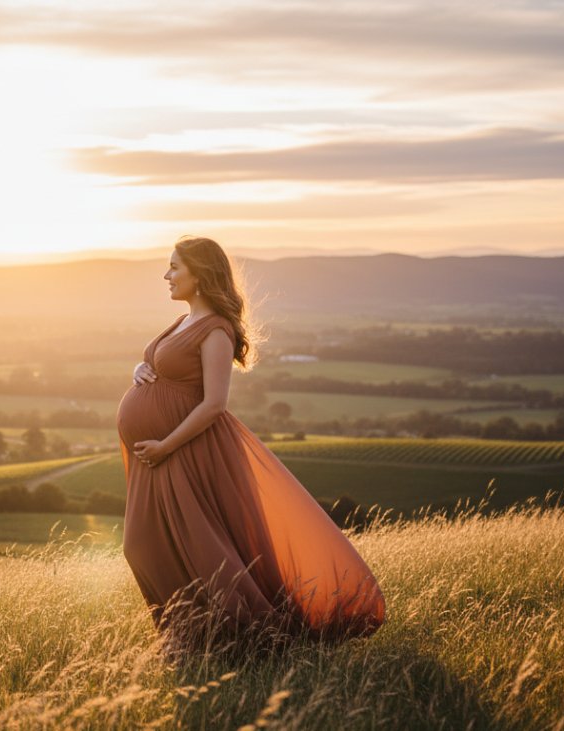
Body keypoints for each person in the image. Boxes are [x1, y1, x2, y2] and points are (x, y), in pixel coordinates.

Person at [116, 236, 385, 660]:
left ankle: (239, 639)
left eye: (174, 267)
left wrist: (167, 445)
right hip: (158, 457)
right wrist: (140, 367)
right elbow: (164, 369)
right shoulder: (183, 320)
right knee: (143, 545)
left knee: (197, 550)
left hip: (184, 454)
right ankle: (185, 635)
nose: (166, 275)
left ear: (199, 275)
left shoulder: (216, 330)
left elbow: (215, 403)